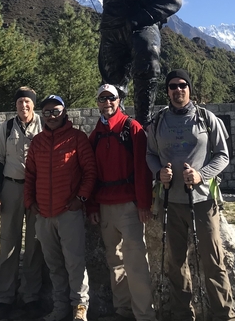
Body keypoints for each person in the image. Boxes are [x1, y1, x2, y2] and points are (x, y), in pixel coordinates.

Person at [146, 69, 235, 321]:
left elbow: (223, 155)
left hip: (203, 202)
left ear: (190, 88)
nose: (178, 90)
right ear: (167, 91)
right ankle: (182, 315)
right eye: (173, 86)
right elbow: (150, 154)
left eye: (183, 85)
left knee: (213, 263)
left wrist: (201, 175)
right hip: (170, 202)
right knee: (175, 264)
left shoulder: (207, 119)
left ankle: (223, 315)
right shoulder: (158, 121)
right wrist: (158, 174)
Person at [24, 95, 97, 321]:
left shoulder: (77, 138)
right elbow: (30, 176)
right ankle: (60, 306)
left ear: (64, 112)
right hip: (43, 214)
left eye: (56, 111)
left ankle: (79, 307)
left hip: (69, 212)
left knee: (75, 263)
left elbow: (90, 172)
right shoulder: (37, 142)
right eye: (47, 112)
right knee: (54, 264)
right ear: (42, 115)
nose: (52, 116)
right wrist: (30, 203)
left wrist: (81, 199)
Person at [88, 84, 156, 321]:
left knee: (136, 262)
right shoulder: (96, 134)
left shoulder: (132, 128)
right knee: (114, 261)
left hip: (129, 206)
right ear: (97, 102)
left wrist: (143, 204)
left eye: (111, 98)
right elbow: (92, 173)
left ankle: (144, 315)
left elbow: (142, 169)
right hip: (105, 206)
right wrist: (93, 206)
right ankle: (123, 310)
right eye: (102, 99)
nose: (107, 103)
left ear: (119, 101)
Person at [0, 87, 44, 320]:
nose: (24, 106)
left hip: (36, 189)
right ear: (16, 105)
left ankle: (31, 295)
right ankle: (5, 297)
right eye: (20, 102)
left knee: (34, 244)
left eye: (28, 102)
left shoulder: (43, 125)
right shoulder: (7, 127)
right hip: (11, 187)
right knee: (8, 243)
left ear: (34, 104)